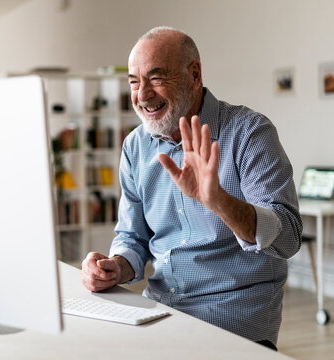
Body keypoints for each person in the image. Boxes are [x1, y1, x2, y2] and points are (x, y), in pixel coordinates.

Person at [81, 26, 302, 350]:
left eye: (156, 78)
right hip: (161, 314)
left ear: (194, 74)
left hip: (233, 325)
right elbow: (133, 238)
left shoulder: (249, 133)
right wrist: (114, 267)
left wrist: (219, 202)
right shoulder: (135, 147)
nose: (142, 95)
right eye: (133, 81)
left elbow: (289, 238)